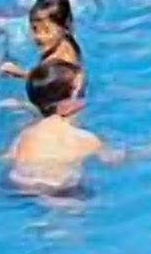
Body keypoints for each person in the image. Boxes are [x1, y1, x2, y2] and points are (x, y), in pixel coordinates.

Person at [7, 61, 115, 194]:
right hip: (60, 190)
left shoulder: (24, 135)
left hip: (18, 183)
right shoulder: (84, 138)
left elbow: (9, 157)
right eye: (82, 92)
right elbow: (110, 159)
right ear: (69, 101)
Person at [0, 0, 84, 87]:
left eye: (46, 30)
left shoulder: (64, 60)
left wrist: (19, 73)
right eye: (35, 29)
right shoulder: (63, 43)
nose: (39, 36)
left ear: (65, 27)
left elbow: (50, 83)